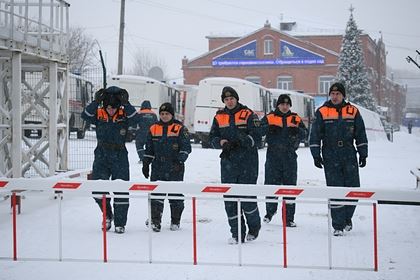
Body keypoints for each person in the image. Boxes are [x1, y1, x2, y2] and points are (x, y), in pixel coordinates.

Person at [309, 82, 368, 237]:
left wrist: (363, 153)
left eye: (338, 94)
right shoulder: (322, 111)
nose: (335, 97)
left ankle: (347, 217)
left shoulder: (353, 111)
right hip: (330, 153)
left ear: (343, 96)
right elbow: (315, 134)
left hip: (349, 153)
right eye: (332, 94)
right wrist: (316, 154)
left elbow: (360, 133)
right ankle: (338, 225)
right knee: (335, 189)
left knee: (353, 189)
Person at [81, 86, 139, 234]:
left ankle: (120, 223)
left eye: (114, 108)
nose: (111, 110)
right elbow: (85, 115)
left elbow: (136, 119)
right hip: (101, 154)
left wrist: (126, 103)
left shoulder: (124, 113)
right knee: (97, 189)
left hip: (119, 154)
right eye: (108, 107)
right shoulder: (99, 113)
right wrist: (95, 101)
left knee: (121, 190)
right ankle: (107, 215)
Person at [209, 86, 262, 244]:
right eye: (226, 99)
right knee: (230, 199)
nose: (229, 101)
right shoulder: (219, 116)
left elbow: (258, 137)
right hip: (228, 162)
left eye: (231, 98)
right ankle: (237, 233)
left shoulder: (248, 114)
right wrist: (220, 142)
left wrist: (243, 140)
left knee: (247, 198)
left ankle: (254, 227)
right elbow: (212, 136)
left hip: (248, 161)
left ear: (237, 99)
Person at [142, 102, 191, 232]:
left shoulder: (180, 128)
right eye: (162, 114)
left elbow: (186, 147)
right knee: (156, 194)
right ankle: (155, 221)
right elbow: (149, 148)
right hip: (158, 166)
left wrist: (179, 161)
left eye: (167, 114)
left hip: (175, 166)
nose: (164, 116)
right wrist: (146, 163)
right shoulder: (154, 128)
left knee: (175, 194)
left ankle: (175, 221)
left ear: (172, 115)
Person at [261, 94, 306, 227]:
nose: (285, 107)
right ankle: (270, 212)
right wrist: (268, 129)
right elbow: (259, 131)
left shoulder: (295, 118)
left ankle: (289, 218)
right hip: (273, 157)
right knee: (271, 186)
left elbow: (305, 133)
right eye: (282, 104)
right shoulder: (270, 117)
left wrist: (296, 133)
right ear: (278, 105)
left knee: (290, 188)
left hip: (289, 157)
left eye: (287, 104)